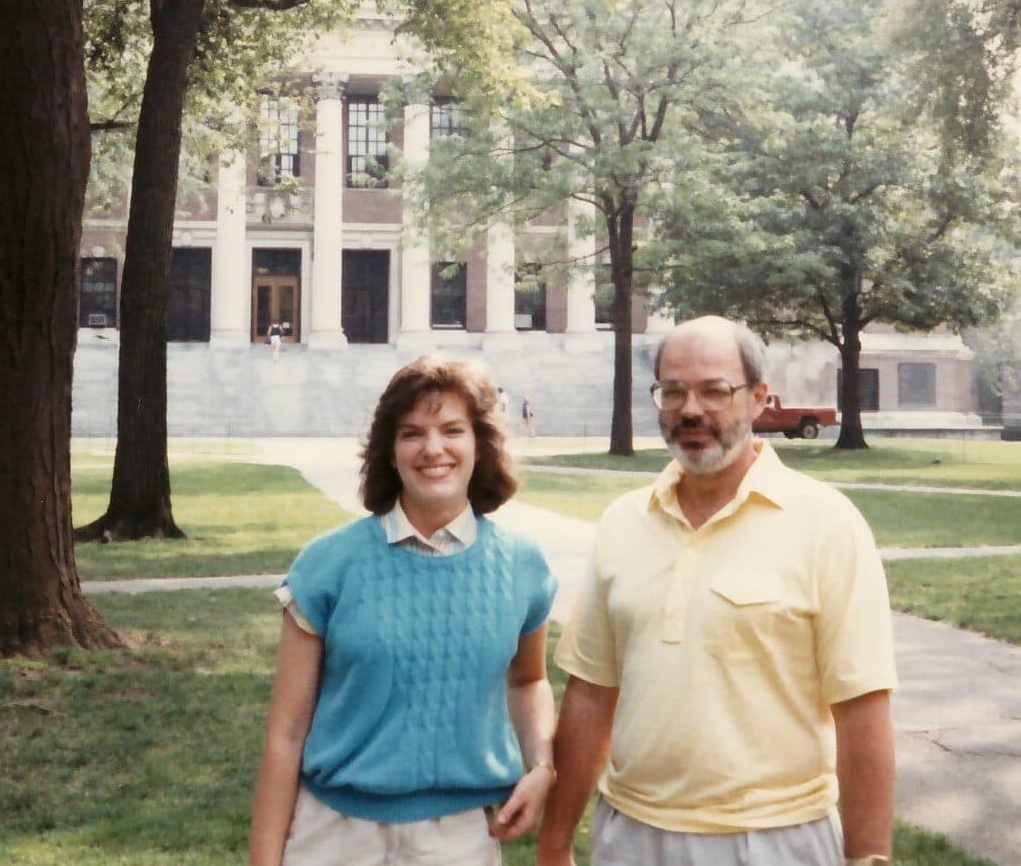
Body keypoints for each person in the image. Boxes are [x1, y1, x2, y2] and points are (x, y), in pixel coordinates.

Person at [537, 315, 897, 866]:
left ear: (758, 398)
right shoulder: (623, 522)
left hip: (775, 839)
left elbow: (862, 709)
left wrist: (868, 858)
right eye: (672, 391)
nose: (690, 410)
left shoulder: (827, 523)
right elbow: (590, 693)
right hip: (629, 836)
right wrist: (555, 844)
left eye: (714, 391)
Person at [250, 355, 560, 866]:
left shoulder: (523, 565)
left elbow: (528, 681)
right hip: (332, 836)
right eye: (412, 433)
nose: (433, 448)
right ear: (390, 454)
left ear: (480, 445)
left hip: (460, 841)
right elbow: (285, 735)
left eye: (452, 430)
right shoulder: (327, 564)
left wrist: (542, 766)